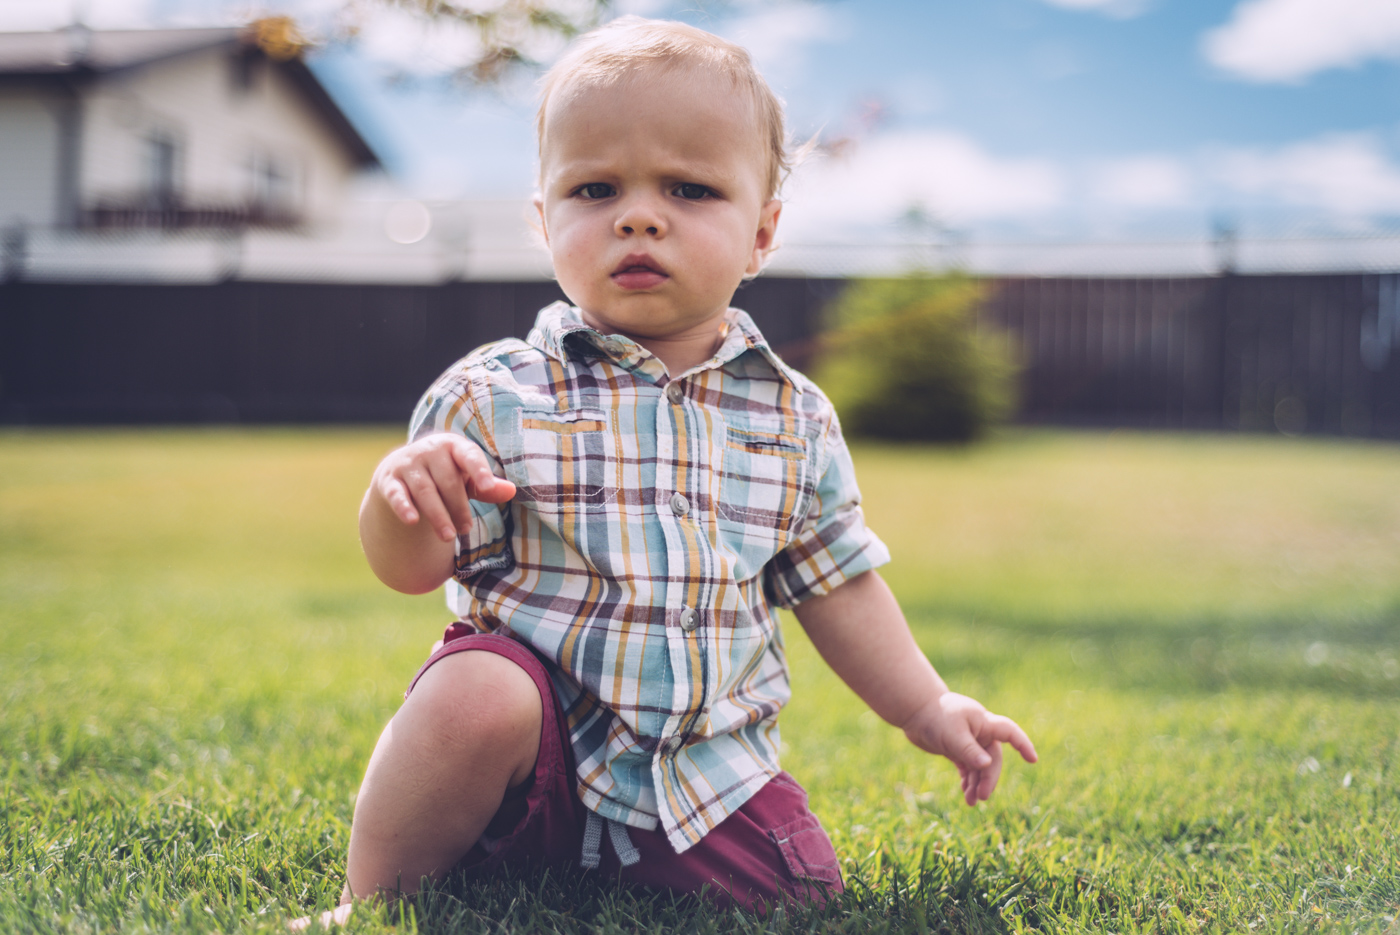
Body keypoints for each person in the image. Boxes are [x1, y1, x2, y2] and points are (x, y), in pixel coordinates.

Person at [294, 15, 1036, 928]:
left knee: (808, 899)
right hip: (530, 752)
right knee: (473, 689)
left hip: (702, 771)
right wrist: (398, 497)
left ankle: (616, 857)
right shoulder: (494, 396)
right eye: (595, 187)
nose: (639, 215)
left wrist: (926, 704)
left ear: (761, 233)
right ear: (545, 220)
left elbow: (837, 584)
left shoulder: (792, 416)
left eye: (690, 188)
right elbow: (409, 570)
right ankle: (371, 900)